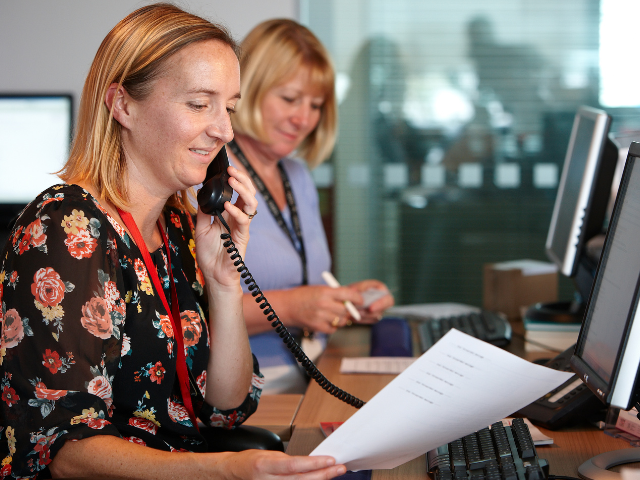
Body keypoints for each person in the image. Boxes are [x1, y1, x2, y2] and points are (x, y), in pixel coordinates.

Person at [0, 4, 346, 479]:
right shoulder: (66, 226)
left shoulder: (180, 224)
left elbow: (225, 406)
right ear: (122, 105)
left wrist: (225, 284)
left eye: (229, 108)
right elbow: (67, 453)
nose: (224, 129)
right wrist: (226, 471)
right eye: (199, 104)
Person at [227, 19, 395, 393]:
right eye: (289, 99)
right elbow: (187, 313)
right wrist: (293, 306)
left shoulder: (298, 176)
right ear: (250, 89)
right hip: (248, 389)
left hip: (311, 371)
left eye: (315, 105)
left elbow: (302, 283)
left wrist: (346, 301)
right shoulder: (209, 176)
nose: (303, 119)